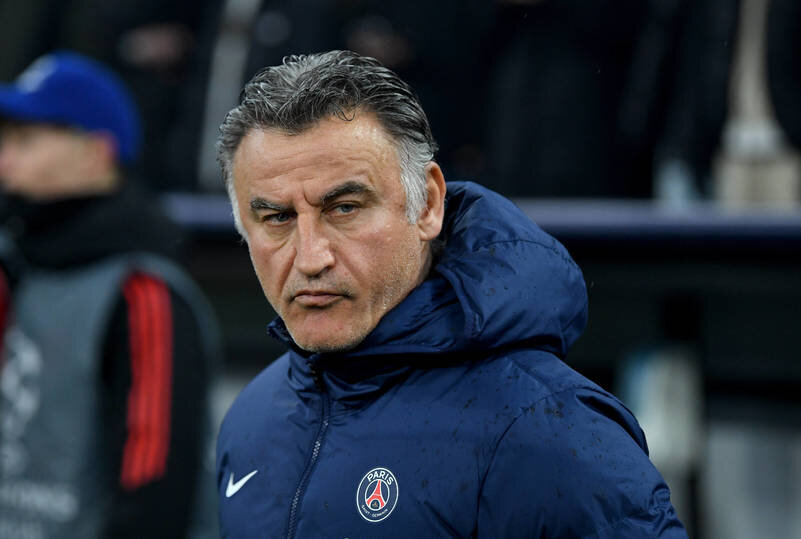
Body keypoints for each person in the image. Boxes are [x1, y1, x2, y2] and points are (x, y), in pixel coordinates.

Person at [215, 50, 686, 538]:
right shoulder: (253, 419)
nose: (311, 258)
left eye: (345, 208)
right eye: (277, 218)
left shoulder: (550, 433)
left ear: (428, 205)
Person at [0, 51, 219, 538]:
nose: (5, 159)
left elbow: (155, 494)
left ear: (96, 153)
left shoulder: (144, 293)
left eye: (27, 140)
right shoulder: (16, 265)